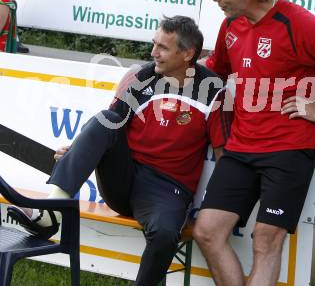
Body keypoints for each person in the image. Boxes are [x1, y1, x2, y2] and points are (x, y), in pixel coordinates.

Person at [8, 15, 231, 286]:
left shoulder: (213, 90)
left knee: (164, 235)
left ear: (187, 53)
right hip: (123, 181)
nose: (153, 53)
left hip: (167, 188)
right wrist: (79, 149)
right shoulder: (140, 76)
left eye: (163, 47)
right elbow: (109, 126)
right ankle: (51, 213)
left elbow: (224, 156)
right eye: (154, 44)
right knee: (107, 118)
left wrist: (216, 209)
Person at [193, 0, 315, 286]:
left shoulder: (297, 22)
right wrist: (167, 73)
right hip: (241, 146)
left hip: (289, 149)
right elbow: (215, 69)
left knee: (266, 239)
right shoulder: (231, 25)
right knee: (207, 231)